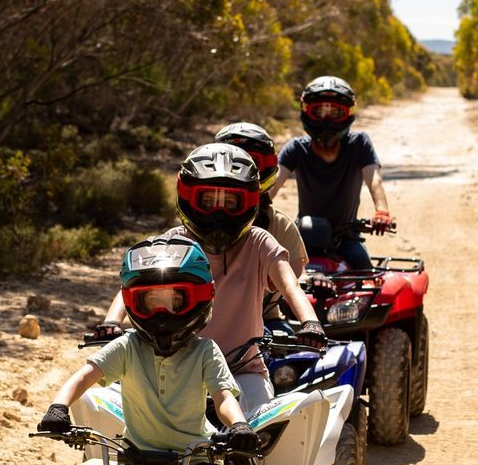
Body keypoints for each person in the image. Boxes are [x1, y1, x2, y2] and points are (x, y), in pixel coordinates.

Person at [88, 143, 326, 414]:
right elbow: (132, 283)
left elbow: (290, 285)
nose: (218, 211)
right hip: (171, 366)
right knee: (117, 418)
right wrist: (111, 322)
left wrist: (311, 323)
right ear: (189, 198)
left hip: (242, 371)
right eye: (208, 200)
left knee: (258, 430)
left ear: (248, 202)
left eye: (229, 201)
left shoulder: (259, 242)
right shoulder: (173, 242)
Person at [39, 236, 257, 465]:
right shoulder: (127, 346)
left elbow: (223, 397)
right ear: (133, 302)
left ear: (200, 298)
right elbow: (83, 377)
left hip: (193, 462)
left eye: (175, 301)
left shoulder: (205, 351)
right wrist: (58, 408)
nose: (162, 313)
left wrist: (239, 426)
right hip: (137, 461)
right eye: (151, 301)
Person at [272, 75, 392, 273]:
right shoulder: (296, 148)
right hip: (302, 236)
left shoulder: (359, 144)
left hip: (346, 239)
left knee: (368, 279)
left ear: (347, 113)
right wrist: (255, 209)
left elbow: (374, 180)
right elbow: (274, 182)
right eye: (319, 110)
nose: (326, 119)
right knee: (273, 282)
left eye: (335, 111)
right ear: (307, 111)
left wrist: (382, 211)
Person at [214, 121, 305, 318]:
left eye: (250, 162)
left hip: (266, 321)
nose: (239, 171)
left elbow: (295, 280)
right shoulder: (196, 225)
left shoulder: (280, 225)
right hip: (204, 324)